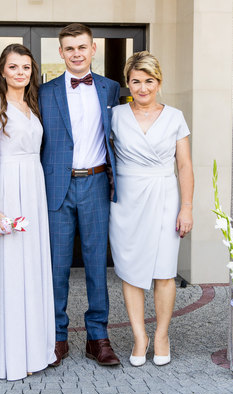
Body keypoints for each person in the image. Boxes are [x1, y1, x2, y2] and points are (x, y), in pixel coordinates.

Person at [39, 23, 121, 367]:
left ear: (93, 49)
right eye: (69, 48)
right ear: (61, 52)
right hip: (56, 185)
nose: (76, 53)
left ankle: (97, 337)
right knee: (56, 267)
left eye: (82, 47)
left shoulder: (110, 88)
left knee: (96, 265)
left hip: (97, 184)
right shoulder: (43, 92)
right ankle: (57, 336)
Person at [0, 44, 56, 381]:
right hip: (8, 189)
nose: (20, 72)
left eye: (25, 67)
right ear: (2, 71)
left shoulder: (33, 104)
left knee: (31, 267)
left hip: (33, 190)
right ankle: (9, 354)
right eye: (13, 67)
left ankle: (33, 350)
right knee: (10, 268)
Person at [109, 51, 194, 367]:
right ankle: (139, 336)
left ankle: (161, 335)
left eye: (149, 81)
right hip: (127, 200)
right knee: (130, 270)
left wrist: (186, 208)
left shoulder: (175, 117)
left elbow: (184, 166)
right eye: (135, 81)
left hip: (164, 197)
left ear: (158, 82)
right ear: (127, 83)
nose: (142, 88)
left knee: (164, 270)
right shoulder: (115, 115)